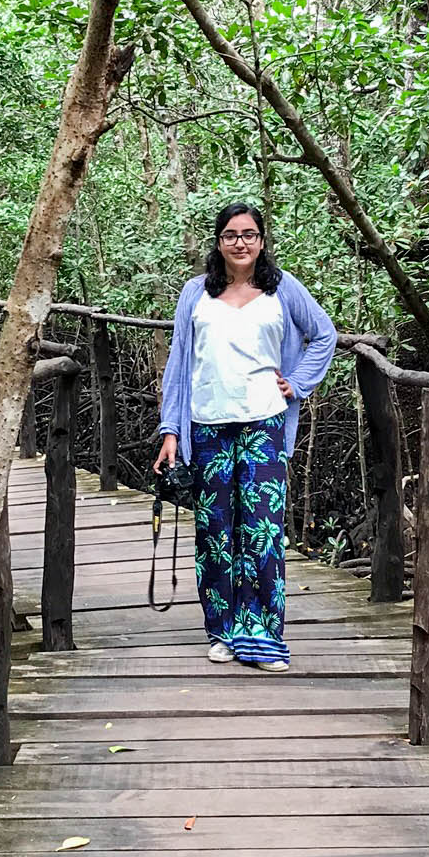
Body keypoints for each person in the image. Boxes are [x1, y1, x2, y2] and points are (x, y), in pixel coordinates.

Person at [155, 203, 337, 669]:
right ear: (219, 242)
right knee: (215, 531)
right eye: (232, 234)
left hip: (265, 421)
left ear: (261, 241)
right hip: (207, 424)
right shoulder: (195, 293)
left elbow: (324, 334)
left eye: (250, 234)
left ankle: (261, 635)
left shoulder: (282, 288)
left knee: (261, 531)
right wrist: (172, 430)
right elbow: (178, 365)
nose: (241, 242)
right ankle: (222, 631)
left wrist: (296, 382)